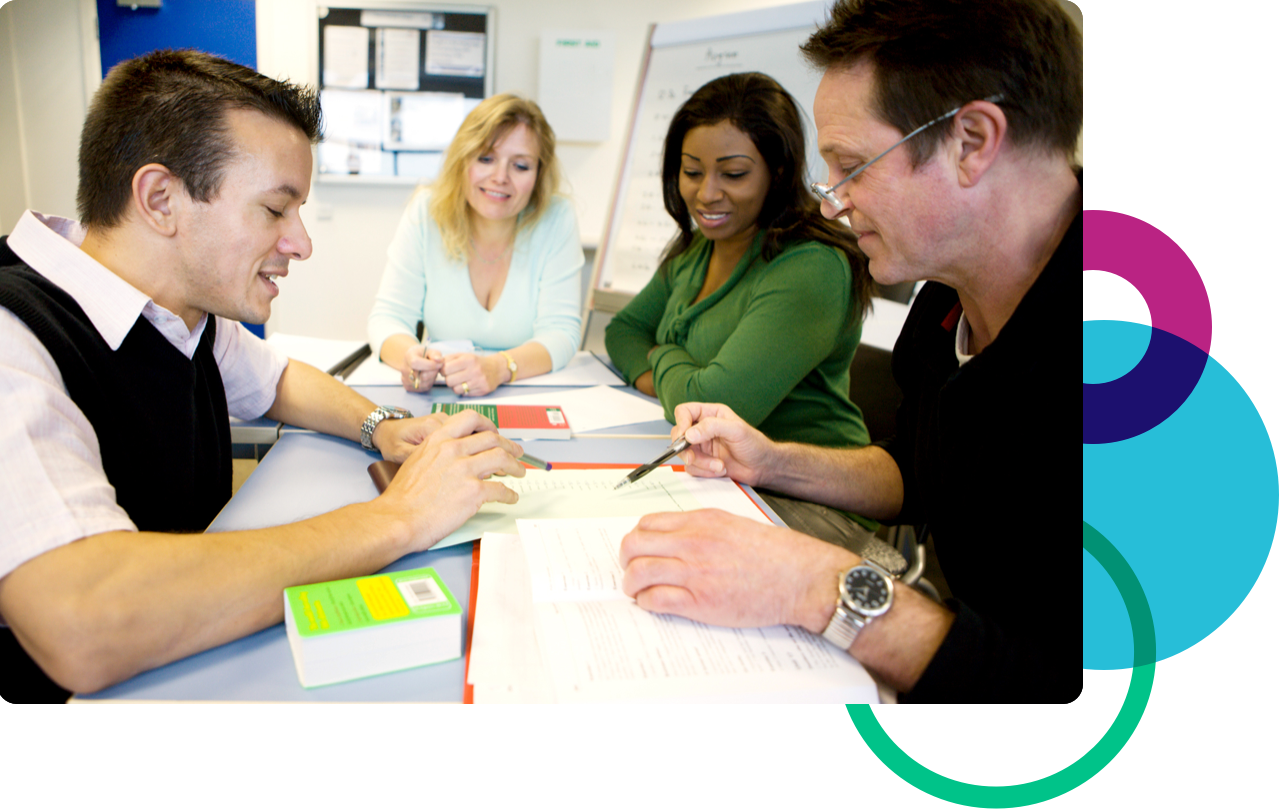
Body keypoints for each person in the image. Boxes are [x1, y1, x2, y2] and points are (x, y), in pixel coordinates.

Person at [0, 50, 525, 701]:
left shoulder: (178, 312)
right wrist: (400, 517)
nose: (301, 242)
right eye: (277, 210)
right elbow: (84, 622)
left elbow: (276, 380)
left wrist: (386, 429)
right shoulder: (9, 342)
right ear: (160, 198)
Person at [619, 0, 1083, 704]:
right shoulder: (942, 305)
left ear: (972, 140)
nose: (833, 202)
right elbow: (918, 472)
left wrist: (818, 586)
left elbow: (1126, 714)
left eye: (852, 167)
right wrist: (773, 461)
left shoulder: (1170, 365)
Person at [604, 73, 875, 451]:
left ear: (777, 172)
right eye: (692, 172)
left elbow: (719, 409)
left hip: (804, 497)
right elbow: (623, 331)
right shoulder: (699, 246)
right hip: (717, 473)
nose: (706, 194)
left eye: (733, 174)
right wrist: (680, 382)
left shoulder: (812, 265)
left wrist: (659, 355)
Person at [368, 94, 584, 397]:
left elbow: (562, 333)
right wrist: (409, 357)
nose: (500, 178)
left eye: (520, 166)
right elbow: (388, 317)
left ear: (539, 174)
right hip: (442, 393)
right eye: (485, 159)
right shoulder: (426, 210)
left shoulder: (556, 217)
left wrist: (499, 367)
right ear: (463, 160)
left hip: (526, 391)